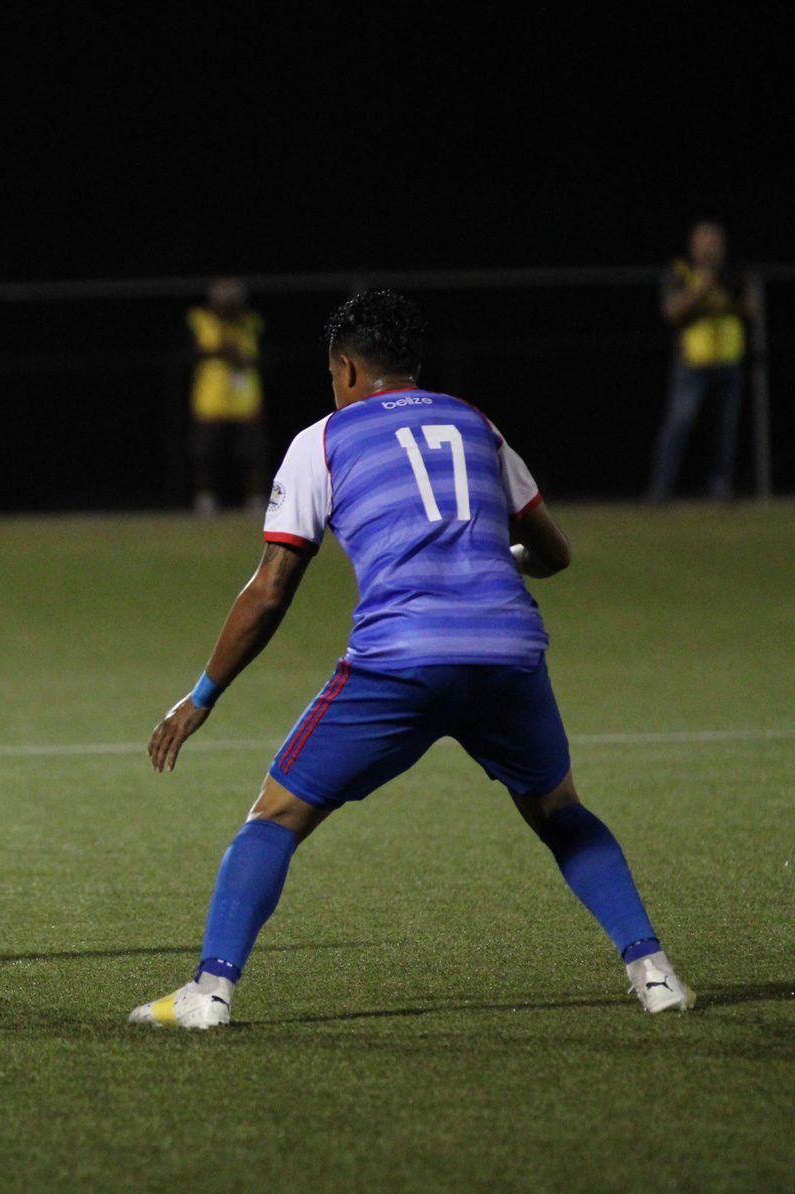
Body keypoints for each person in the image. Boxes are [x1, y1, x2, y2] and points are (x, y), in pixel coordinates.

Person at [131, 290, 691, 1030]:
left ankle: (210, 993)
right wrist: (488, 562)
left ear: (349, 369)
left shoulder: (322, 440)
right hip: (507, 648)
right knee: (559, 810)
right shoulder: (475, 422)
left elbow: (270, 591)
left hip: (402, 658)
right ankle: (655, 975)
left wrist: (200, 696)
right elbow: (554, 552)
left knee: (275, 816)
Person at [647, 220, 757, 501]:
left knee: (726, 431)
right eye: (705, 244)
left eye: (716, 244)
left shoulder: (735, 272)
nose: (711, 250)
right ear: (693, 246)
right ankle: (661, 489)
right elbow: (671, 312)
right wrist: (700, 289)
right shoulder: (681, 271)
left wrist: (725, 293)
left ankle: (721, 489)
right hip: (692, 364)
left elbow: (752, 308)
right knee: (680, 424)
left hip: (730, 360)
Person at [187, 278, 266, 516]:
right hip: (210, 400)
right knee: (205, 454)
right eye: (224, 303)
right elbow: (189, 354)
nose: (229, 308)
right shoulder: (200, 321)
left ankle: (255, 499)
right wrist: (220, 351)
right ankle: (205, 499)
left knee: (251, 454)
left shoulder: (251, 323)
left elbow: (260, 356)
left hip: (244, 400)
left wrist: (240, 356)